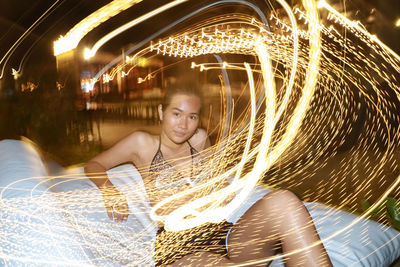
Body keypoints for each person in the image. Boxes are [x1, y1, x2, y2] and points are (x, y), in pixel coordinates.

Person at [84, 85, 332, 266]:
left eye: (192, 116)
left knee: (284, 202)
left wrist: (218, 194)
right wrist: (109, 189)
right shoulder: (142, 143)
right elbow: (94, 163)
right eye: (176, 113)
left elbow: (219, 185)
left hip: (220, 234)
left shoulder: (200, 139)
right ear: (161, 112)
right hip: (180, 247)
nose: (184, 124)